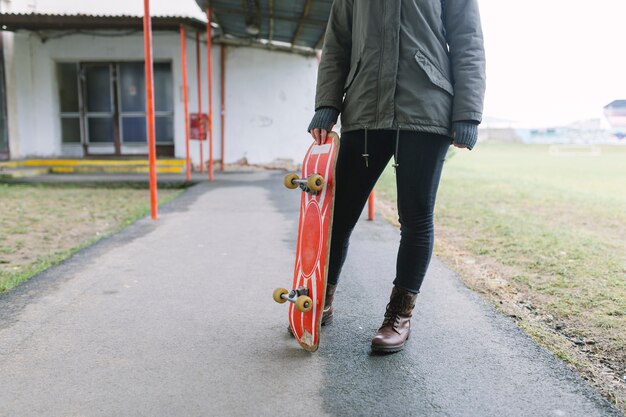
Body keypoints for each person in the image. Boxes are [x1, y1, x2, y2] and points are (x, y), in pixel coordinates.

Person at [308, 0, 486, 353]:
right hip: (364, 107)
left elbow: (468, 41)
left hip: (426, 108)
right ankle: (322, 298)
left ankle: (399, 315)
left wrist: (468, 113)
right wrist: (327, 103)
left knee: (416, 217)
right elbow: (338, 41)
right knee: (339, 215)